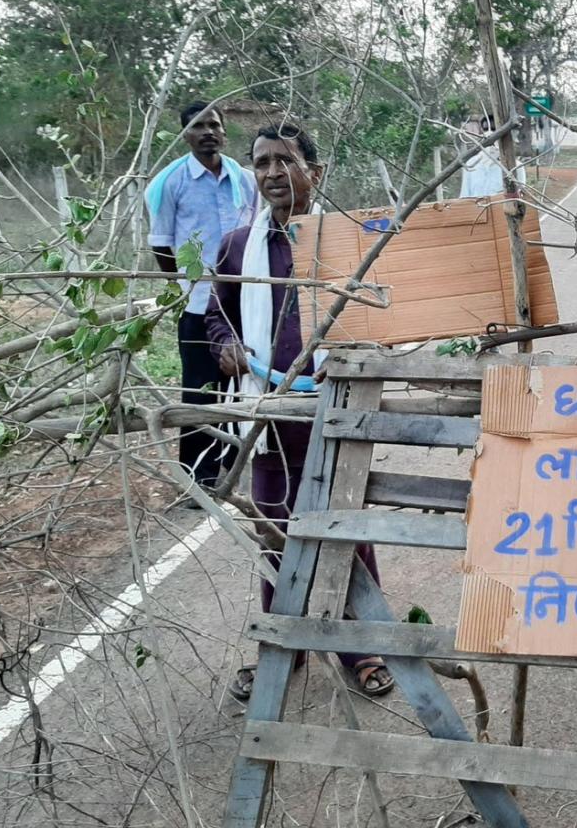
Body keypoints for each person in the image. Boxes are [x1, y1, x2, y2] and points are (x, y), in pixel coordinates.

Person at [205, 122, 394, 702]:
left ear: (316, 171)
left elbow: (385, 312)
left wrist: (357, 356)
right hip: (268, 417)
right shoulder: (239, 246)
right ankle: (282, 650)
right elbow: (216, 314)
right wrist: (225, 346)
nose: (271, 173)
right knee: (274, 533)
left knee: (347, 530)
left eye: (284, 161)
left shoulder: (349, 240)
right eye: (261, 162)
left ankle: (363, 649)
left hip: (337, 411)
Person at [146, 100, 256, 502]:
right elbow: (161, 243)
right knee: (200, 393)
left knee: (243, 389)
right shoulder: (168, 183)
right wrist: (184, 289)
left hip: (244, 304)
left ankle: (234, 467)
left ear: (224, 131)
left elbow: (255, 231)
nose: (207, 132)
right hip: (197, 307)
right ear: (185, 134)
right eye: (197, 125)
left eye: (213, 124)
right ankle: (197, 481)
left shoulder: (245, 179)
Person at [459, 114, 527, 198]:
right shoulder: (471, 165)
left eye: (494, 129)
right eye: (485, 129)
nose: (489, 133)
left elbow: (521, 199)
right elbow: (464, 197)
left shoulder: (516, 167)